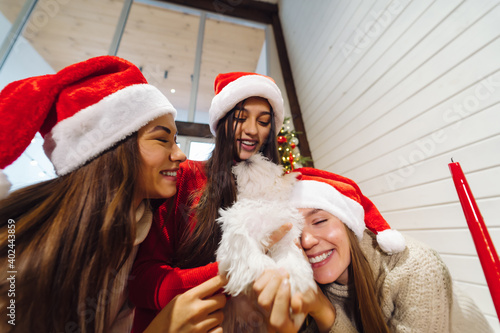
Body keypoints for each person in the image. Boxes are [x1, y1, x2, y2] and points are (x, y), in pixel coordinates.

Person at [0, 56, 226, 333]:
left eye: (176, 141)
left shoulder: (137, 236)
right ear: (114, 150)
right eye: (162, 139)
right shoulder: (17, 246)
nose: (180, 155)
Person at [129, 71, 286, 332]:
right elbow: (142, 282)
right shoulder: (183, 177)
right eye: (240, 117)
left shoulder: (278, 190)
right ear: (221, 122)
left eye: (263, 121)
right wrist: (229, 271)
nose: (251, 130)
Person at [253, 168, 493, 332]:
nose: (306, 241)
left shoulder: (413, 267)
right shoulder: (299, 280)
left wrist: (324, 312)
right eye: (294, 230)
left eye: (319, 221)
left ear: (348, 224)